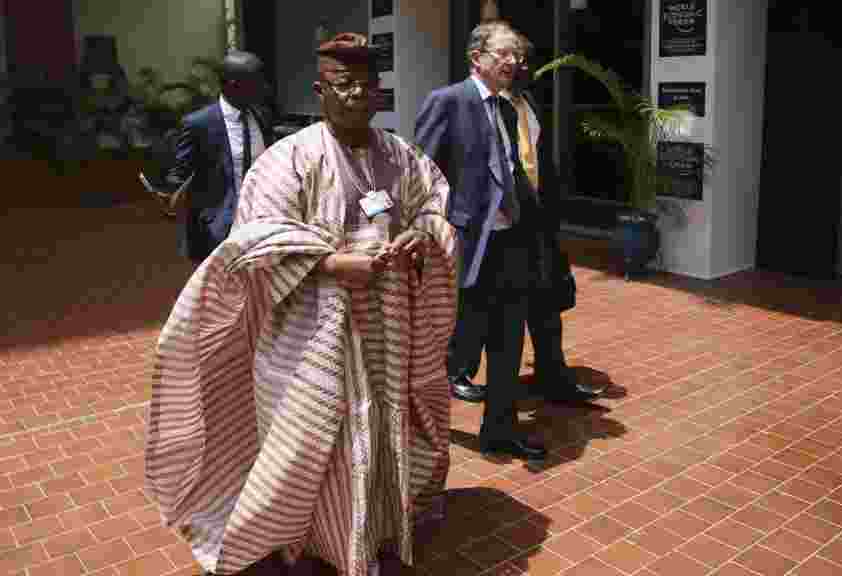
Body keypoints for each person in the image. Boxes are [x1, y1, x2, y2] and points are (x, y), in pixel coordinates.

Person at [145, 33, 458, 576]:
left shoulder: (399, 153)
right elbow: (254, 239)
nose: (359, 94)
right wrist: (331, 264)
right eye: (345, 85)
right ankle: (310, 544)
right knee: (314, 442)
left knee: (383, 431)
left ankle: (376, 532)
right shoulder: (286, 159)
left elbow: (433, 203)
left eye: (368, 85)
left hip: (388, 333)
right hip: (313, 335)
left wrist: (421, 237)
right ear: (320, 91)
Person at [414, 20, 546, 460]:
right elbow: (422, 177)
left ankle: (500, 430)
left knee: (509, 342)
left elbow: (512, 172)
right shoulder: (448, 102)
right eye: (503, 54)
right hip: (468, 247)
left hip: (510, 244)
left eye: (516, 55)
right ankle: (417, 424)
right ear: (477, 59)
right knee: (458, 342)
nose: (513, 62)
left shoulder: (508, 108)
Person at [447, 37, 605, 405]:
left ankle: (554, 376)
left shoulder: (528, 104)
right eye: (515, 62)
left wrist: (549, 209)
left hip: (536, 219)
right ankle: (458, 371)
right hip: (497, 223)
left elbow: (538, 161)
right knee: (479, 306)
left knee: (547, 299)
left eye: (526, 63)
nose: (523, 69)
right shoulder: (478, 107)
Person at [159, 51, 272, 264]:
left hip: (260, 222)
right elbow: (180, 173)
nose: (263, 87)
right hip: (218, 230)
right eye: (255, 82)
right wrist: (169, 193)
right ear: (232, 85)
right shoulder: (198, 124)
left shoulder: (262, 116)